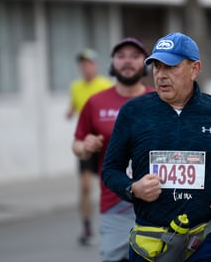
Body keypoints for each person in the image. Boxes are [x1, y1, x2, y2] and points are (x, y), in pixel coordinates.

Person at [102, 32, 211, 262]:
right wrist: (133, 188)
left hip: (205, 239)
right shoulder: (134, 112)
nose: (161, 75)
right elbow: (111, 169)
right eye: (156, 67)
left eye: (170, 67)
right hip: (150, 242)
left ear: (195, 69)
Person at [72, 38, 153, 262]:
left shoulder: (157, 100)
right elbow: (76, 143)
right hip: (114, 205)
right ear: (112, 63)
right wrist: (85, 146)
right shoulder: (96, 102)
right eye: (121, 56)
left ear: (145, 63)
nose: (127, 61)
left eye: (135, 56)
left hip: (157, 205)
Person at [66, 48, 113, 245]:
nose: (86, 67)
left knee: (109, 186)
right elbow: (75, 106)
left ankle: (113, 223)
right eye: (83, 64)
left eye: (89, 63)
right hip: (86, 142)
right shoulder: (75, 87)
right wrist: (69, 112)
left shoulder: (105, 85)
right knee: (85, 187)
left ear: (96, 65)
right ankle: (86, 227)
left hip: (104, 142)